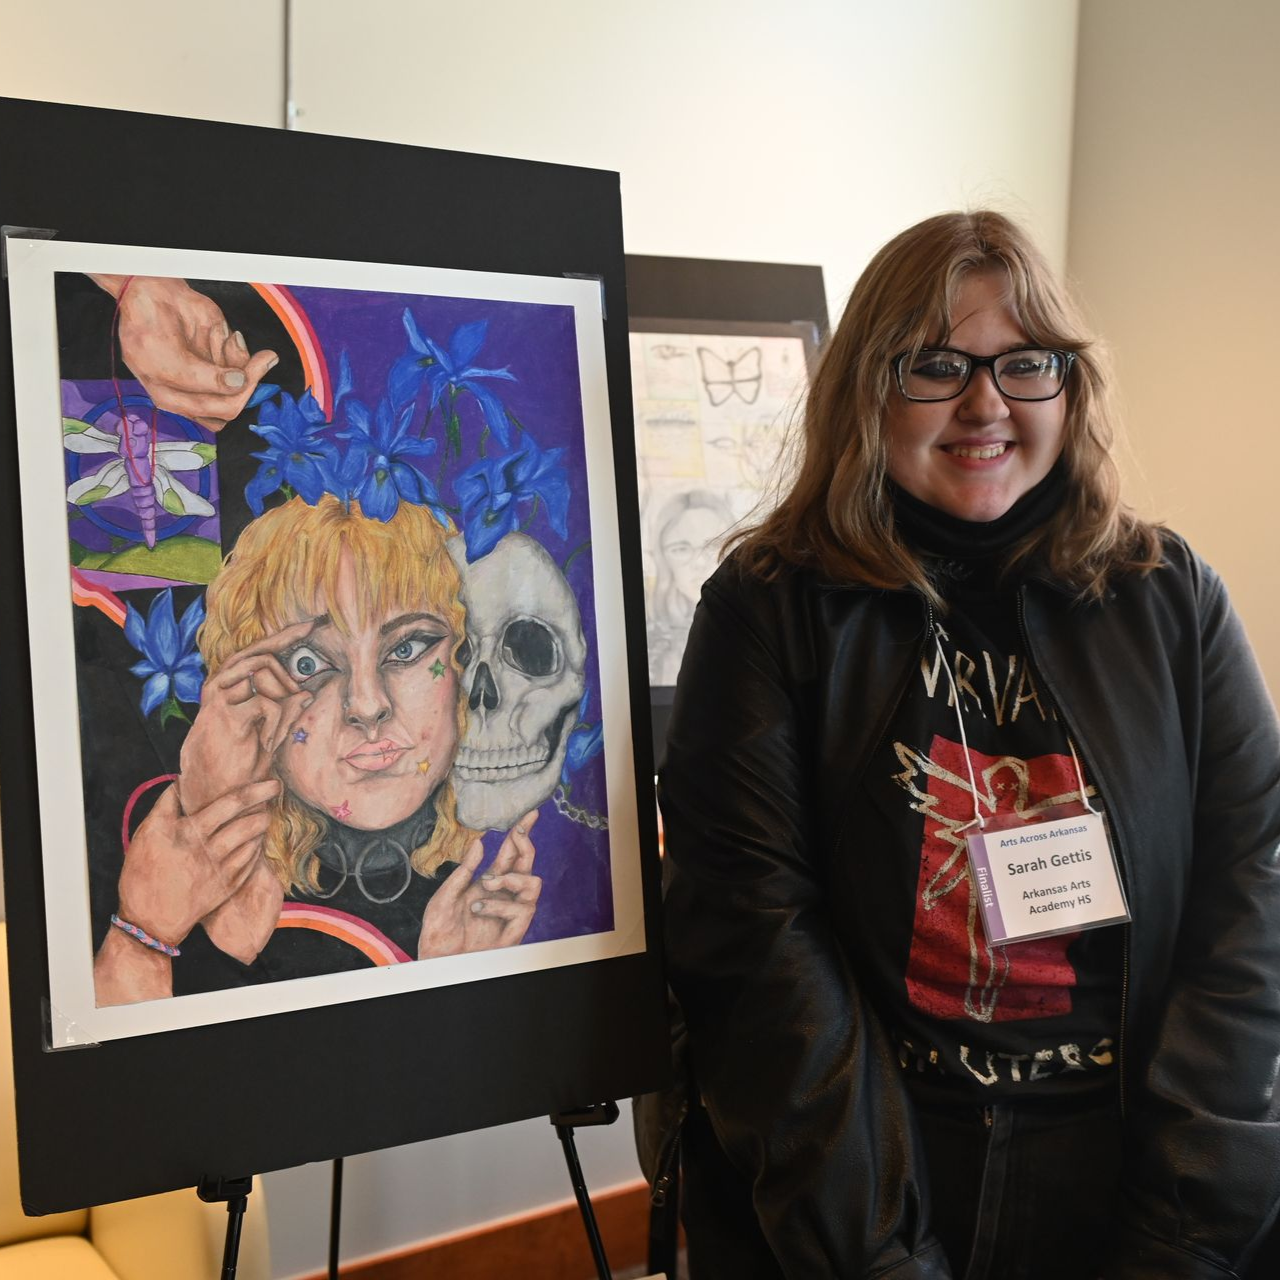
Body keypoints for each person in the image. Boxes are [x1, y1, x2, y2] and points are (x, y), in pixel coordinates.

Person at [650, 211, 1280, 1278]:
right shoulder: (768, 610)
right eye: (935, 364)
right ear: (868, 387)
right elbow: (759, 961)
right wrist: (880, 1257)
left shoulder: (1170, 600)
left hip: (1131, 1170)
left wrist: (1179, 1236)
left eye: (1023, 363)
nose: (985, 403)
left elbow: (1249, 912)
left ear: (1067, 388)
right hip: (863, 1184)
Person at [93, 495, 541, 1005]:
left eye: (407, 648)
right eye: (308, 663)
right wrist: (143, 934)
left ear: (466, 659)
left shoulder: (486, 885)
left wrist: (451, 981)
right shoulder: (150, 847)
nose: (367, 706)